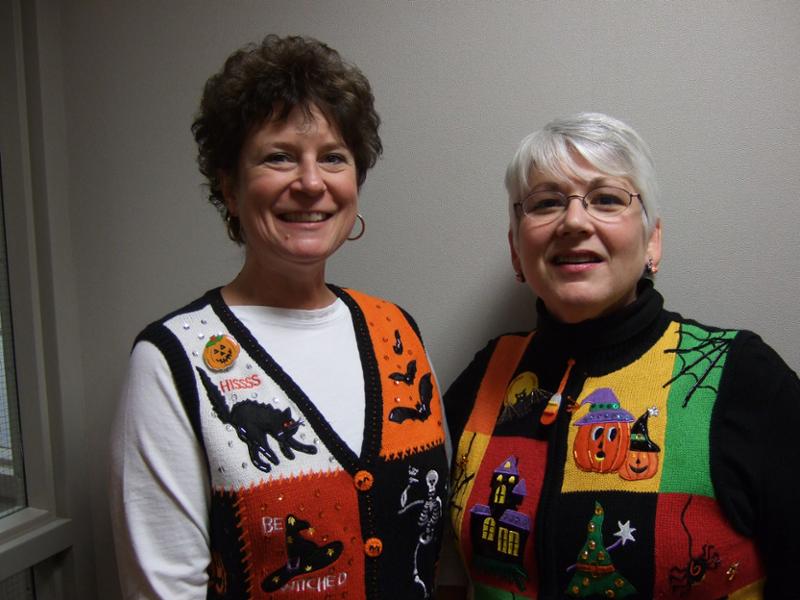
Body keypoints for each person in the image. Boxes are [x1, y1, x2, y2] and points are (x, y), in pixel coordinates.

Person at [110, 35, 449, 599]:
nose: (311, 183)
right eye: (279, 156)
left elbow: (438, 541)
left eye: (333, 157)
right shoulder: (172, 359)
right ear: (230, 187)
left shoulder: (397, 332)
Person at [444, 113, 799, 599]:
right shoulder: (486, 374)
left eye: (607, 199)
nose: (574, 221)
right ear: (515, 249)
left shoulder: (741, 375)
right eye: (546, 203)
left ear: (653, 239)